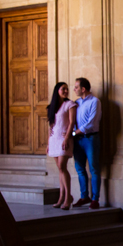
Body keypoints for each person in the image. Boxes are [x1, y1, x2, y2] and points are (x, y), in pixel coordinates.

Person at [71, 77, 102, 209]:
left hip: (90, 138)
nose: (74, 89)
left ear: (83, 89)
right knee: (79, 169)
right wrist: (72, 132)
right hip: (78, 140)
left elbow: (91, 122)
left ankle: (95, 199)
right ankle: (84, 197)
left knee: (94, 169)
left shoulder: (95, 101)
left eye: (76, 87)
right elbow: (72, 120)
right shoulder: (76, 103)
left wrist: (75, 132)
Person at [45, 82, 77, 210]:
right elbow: (50, 126)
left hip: (64, 139)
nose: (66, 91)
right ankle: (61, 197)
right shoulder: (51, 107)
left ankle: (68, 197)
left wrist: (67, 138)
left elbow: (72, 122)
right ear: (57, 90)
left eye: (67, 89)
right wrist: (48, 143)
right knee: (60, 169)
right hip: (54, 140)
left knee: (62, 166)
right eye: (63, 89)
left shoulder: (70, 104)